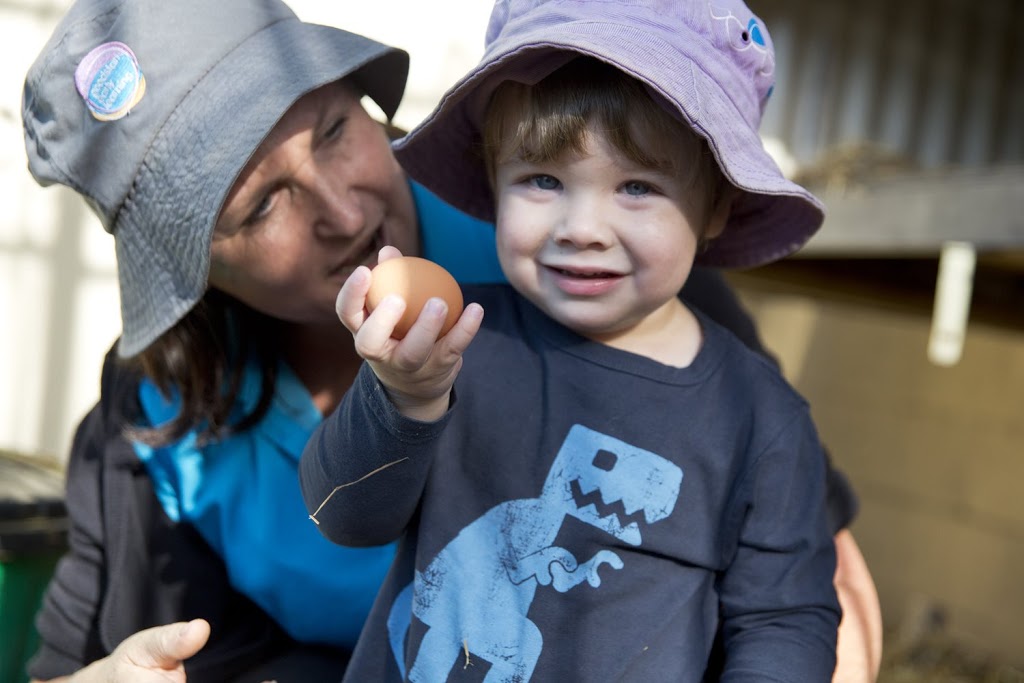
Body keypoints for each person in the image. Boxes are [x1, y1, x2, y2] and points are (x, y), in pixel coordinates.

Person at [19, 0, 879, 681]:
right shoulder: (153, 421)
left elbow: (802, 588)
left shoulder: (609, 294)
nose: (345, 212)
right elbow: (79, 654)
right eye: (259, 206)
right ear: (186, 270)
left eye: (332, 129)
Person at [299, 0, 849, 680]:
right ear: (494, 179)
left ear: (715, 208)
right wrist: (403, 396)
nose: (583, 226)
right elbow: (343, 515)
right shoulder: (456, 345)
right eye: (543, 179)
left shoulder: (759, 420)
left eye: (638, 186)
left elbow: (783, 619)